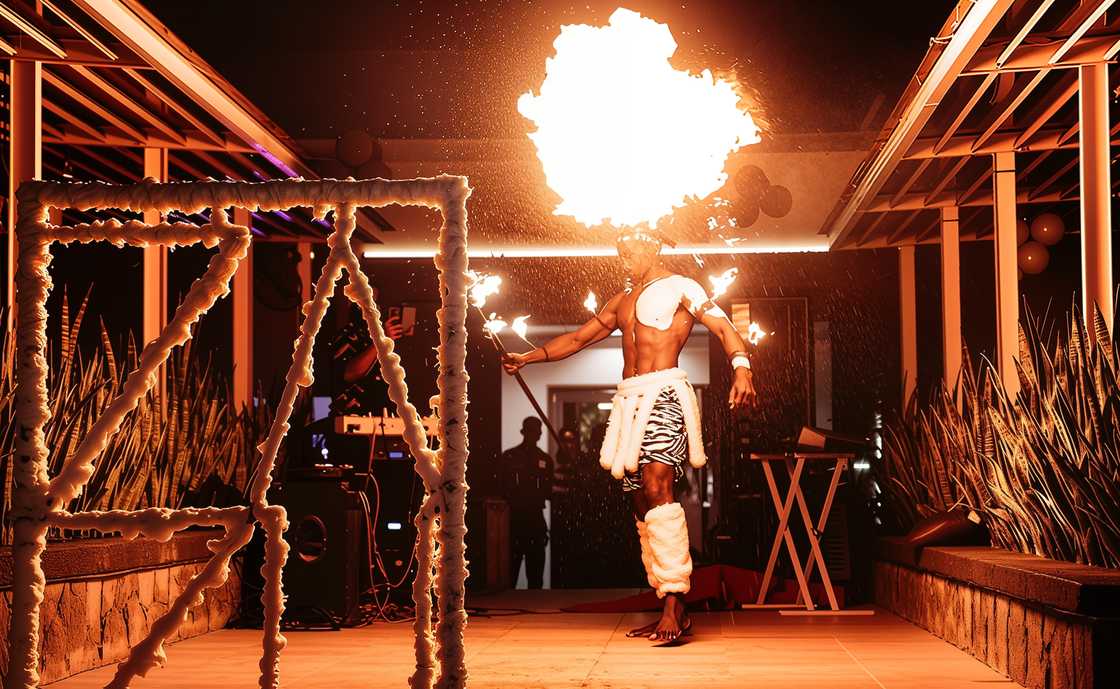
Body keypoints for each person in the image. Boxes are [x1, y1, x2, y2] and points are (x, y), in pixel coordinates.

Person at [503, 229, 757, 643]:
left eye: (631, 250)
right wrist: (529, 357)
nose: (624, 259)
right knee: (641, 500)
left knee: (659, 487)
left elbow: (724, 327)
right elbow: (579, 338)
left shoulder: (681, 287)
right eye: (620, 252)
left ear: (653, 246)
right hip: (629, 404)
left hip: (664, 395)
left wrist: (742, 368)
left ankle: (677, 601)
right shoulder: (620, 301)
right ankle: (667, 599)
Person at [499, 416, 554, 589]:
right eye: (532, 431)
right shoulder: (509, 457)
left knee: (535, 573)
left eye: (536, 431)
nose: (534, 435)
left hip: (535, 520)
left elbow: (548, 490)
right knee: (510, 572)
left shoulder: (544, 459)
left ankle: (536, 607)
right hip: (515, 519)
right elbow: (501, 488)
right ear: (524, 432)